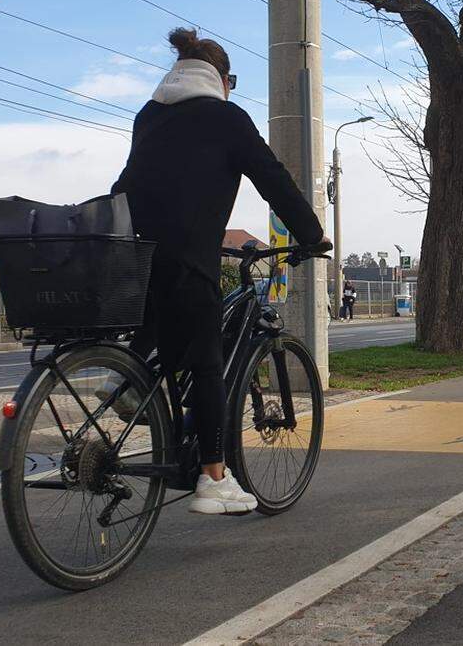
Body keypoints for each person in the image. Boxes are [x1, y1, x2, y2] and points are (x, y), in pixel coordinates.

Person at [107, 28, 324, 515]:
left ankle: (124, 377)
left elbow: (133, 179)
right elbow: (275, 182)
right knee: (208, 364)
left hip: (134, 253)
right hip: (188, 255)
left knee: (164, 319)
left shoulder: (149, 115)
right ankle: (213, 479)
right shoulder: (226, 118)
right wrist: (311, 235)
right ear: (221, 78)